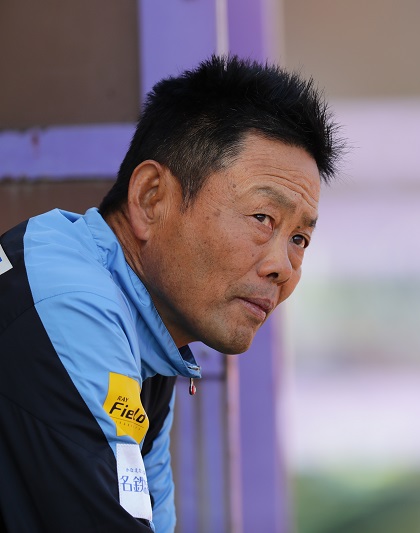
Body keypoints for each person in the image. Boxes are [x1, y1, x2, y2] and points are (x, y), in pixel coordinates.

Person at [0, 55, 343, 532]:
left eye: (299, 239)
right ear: (150, 198)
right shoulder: (71, 303)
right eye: (262, 218)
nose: (282, 267)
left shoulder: (147, 335)